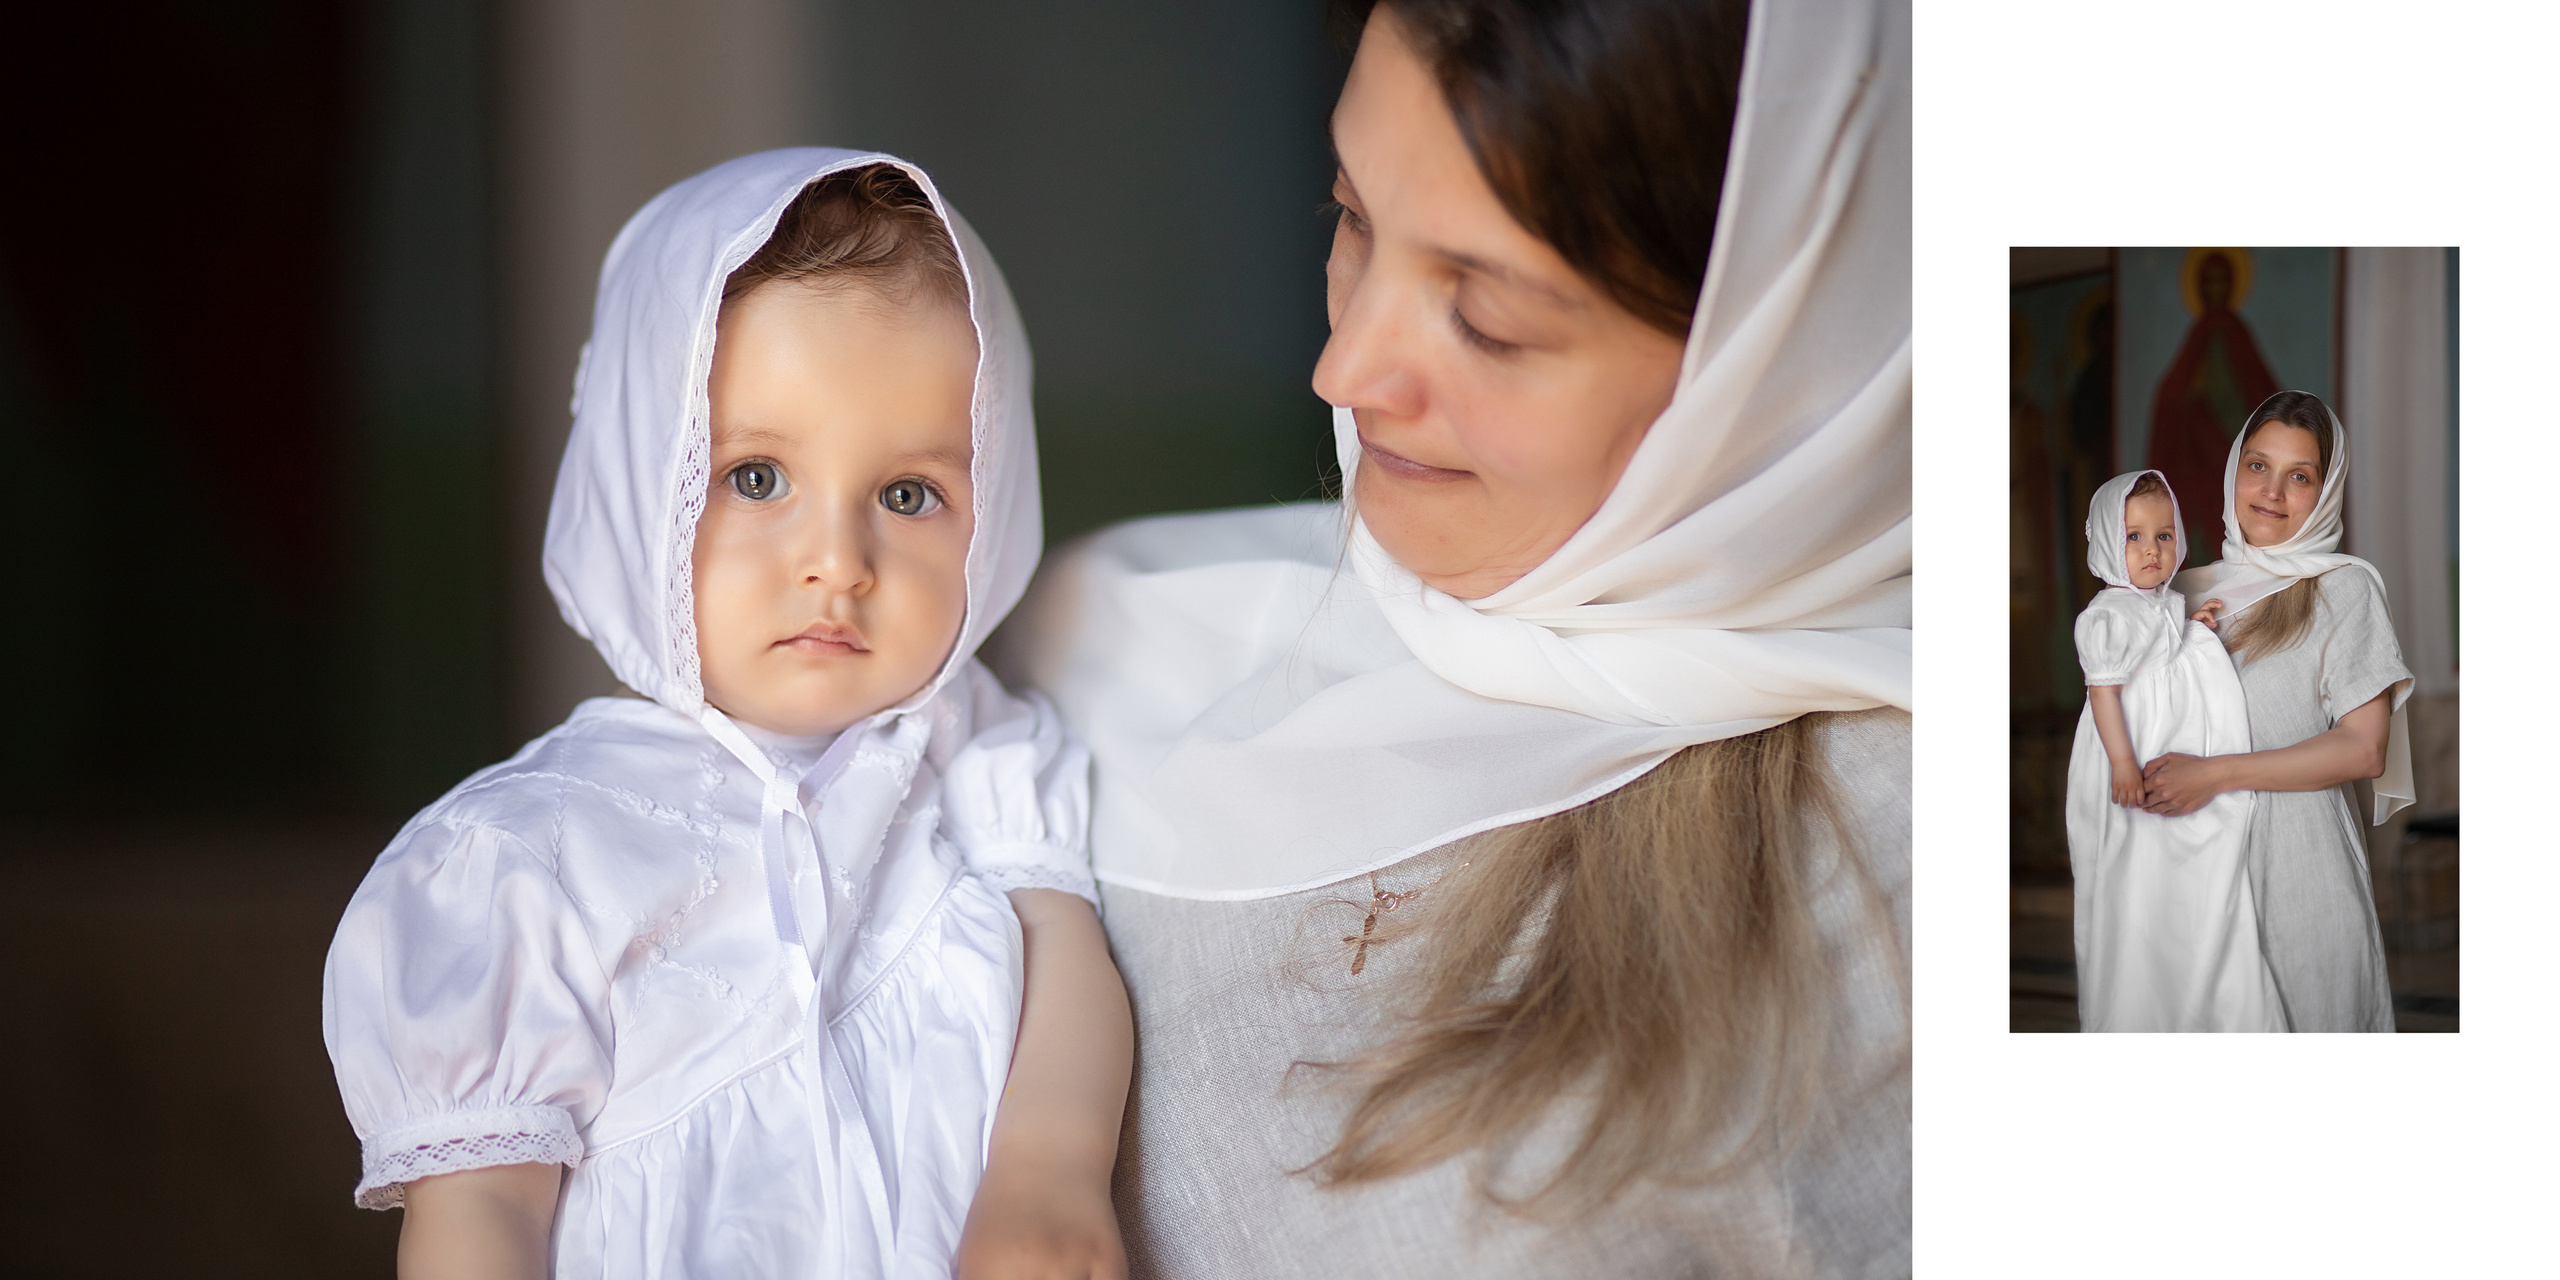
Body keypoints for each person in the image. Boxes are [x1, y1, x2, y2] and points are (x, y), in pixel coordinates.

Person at [988, 0, 1910, 1272]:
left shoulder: (1911, 885)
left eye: (1488, 319)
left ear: (1786, 368)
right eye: (1350, 219)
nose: (1346, 370)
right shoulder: (1098, 628)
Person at [321, 151, 1133, 1278]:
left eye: (909, 495)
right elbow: (481, 1218)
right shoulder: (522, 859)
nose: (836, 563)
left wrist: (1049, 1168)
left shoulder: (978, 753)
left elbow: (1063, 948)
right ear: (637, 481)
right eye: (756, 477)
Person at [2146, 390, 2412, 1032]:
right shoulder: (2176, 591)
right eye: (2258, 466)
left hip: (2298, 870)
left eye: (2301, 477)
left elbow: (2363, 749)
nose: (2272, 491)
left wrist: (2211, 775)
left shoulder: (2344, 588)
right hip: (2186, 867)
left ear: (2325, 493)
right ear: (2233, 467)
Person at [2065, 470, 2281, 1032]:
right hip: (2129, 750)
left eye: (2164, 536)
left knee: (2180, 872)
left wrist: (2192, 625)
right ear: (2110, 545)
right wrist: (2121, 763)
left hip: (2168, 751)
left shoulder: (2160, 602)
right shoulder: (2107, 615)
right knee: (2135, 871)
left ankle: (2185, 970)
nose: (2152, 550)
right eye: (2134, 537)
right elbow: (2105, 694)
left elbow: (2162, 643)